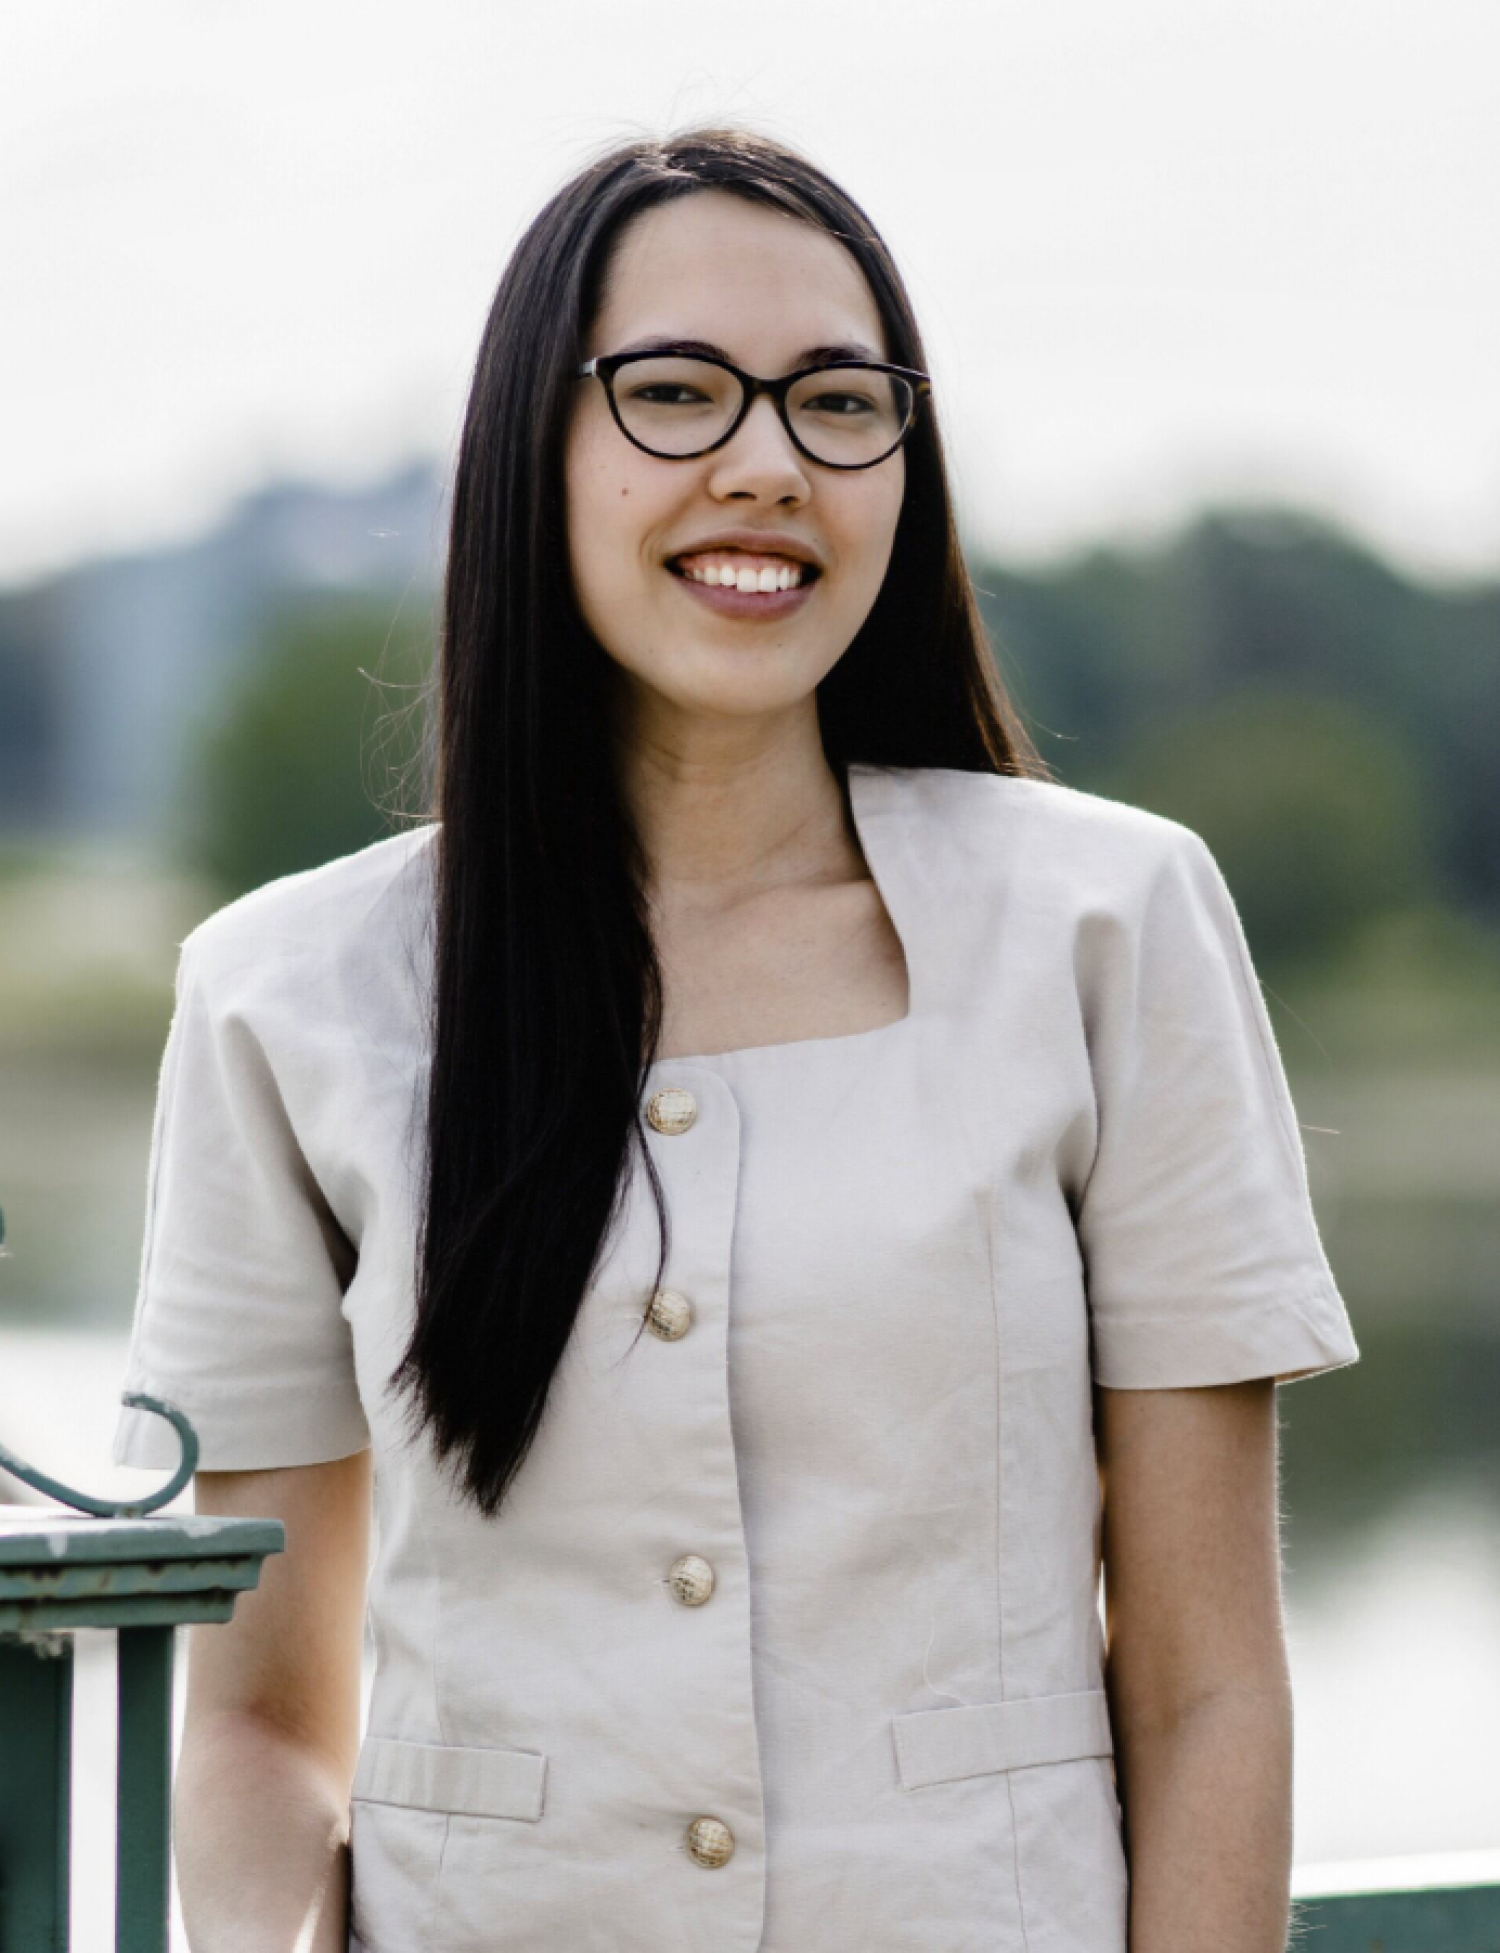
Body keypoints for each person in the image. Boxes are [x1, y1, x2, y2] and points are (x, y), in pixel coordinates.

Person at [112, 125, 1360, 1953]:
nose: (768, 463)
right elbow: (253, 1722)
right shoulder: (283, 997)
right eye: (678, 394)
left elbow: (1205, 1693)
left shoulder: (1110, 928)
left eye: (839, 403)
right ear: (531, 449)